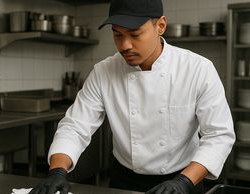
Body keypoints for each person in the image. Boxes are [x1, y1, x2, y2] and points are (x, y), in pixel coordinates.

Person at [29, 0, 235, 193]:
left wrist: (184, 181)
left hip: (183, 179)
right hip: (124, 180)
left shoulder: (197, 69)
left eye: (135, 34)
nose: (125, 45)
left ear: (160, 26)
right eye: (117, 35)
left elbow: (218, 135)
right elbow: (75, 126)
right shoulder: (103, 72)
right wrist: (58, 170)